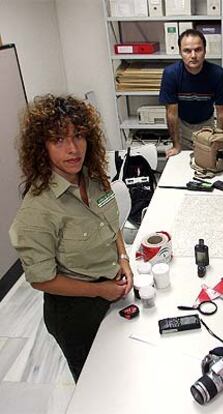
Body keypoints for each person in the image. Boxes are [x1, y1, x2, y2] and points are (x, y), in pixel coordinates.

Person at [9, 94, 133, 382]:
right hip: (75, 312)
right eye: (59, 140)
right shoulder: (37, 210)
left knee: (123, 371)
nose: (73, 148)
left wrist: (123, 259)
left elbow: (110, 223)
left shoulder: (93, 176)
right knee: (96, 385)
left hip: (112, 290)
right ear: (42, 147)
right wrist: (100, 290)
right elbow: (41, 279)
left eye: (78, 136)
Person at [159, 29, 223, 157]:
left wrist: (220, 142)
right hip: (182, 125)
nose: (193, 55)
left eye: (198, 50)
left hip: (207, 124)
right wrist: (176, 145)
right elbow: (171, 114)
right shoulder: (171, 74)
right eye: (187, 50)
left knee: (211, 161)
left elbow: (222, 113)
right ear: (180, 52)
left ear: (205, 50)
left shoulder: (218, 74)